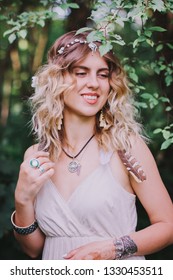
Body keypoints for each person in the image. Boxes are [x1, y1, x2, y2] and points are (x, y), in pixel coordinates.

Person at [12, 30, 173, 260]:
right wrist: (23, 199)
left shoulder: (126, 147)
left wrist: (111, 248)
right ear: (57, 79)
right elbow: (33, 249)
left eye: (103, 74)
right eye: (81, 72)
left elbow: (168, 226)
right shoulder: (37, 155)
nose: (94, 84)